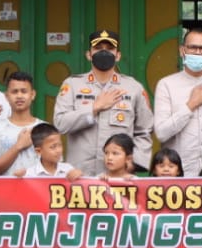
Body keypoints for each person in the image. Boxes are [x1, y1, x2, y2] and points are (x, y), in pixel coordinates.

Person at [53, 29, 154, 174]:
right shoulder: (72, 85)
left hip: (118, 175)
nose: (104, 52)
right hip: (80, 174)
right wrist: (94, 108)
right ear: (89, 54)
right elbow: (60, 123)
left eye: (110, 49)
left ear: (118, 55)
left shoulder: (133, 88)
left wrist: (134, 163)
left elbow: (144, 130)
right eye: (98, 48)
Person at [152, 28, 202, 177]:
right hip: (177, 174)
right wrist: (191, 105)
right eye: (192, 47)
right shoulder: (166, 85)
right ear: (182, 50)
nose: (197, 52)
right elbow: (162, 133)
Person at [0, 72, 47, 177]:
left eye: (24, 91)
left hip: (36, 187)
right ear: (7, 96)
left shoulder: (45, 129)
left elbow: (54, 167)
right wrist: (18, 146)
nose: (19, 96)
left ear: (33, 94)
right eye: (14, 92)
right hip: (5, 187)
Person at [17, 122, 82, 179]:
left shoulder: (68, 170)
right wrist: (19, 179)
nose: (58, 150)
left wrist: (79, 176)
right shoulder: (30, 174)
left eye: (60, 145)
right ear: (38, 151)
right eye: (53, 147)